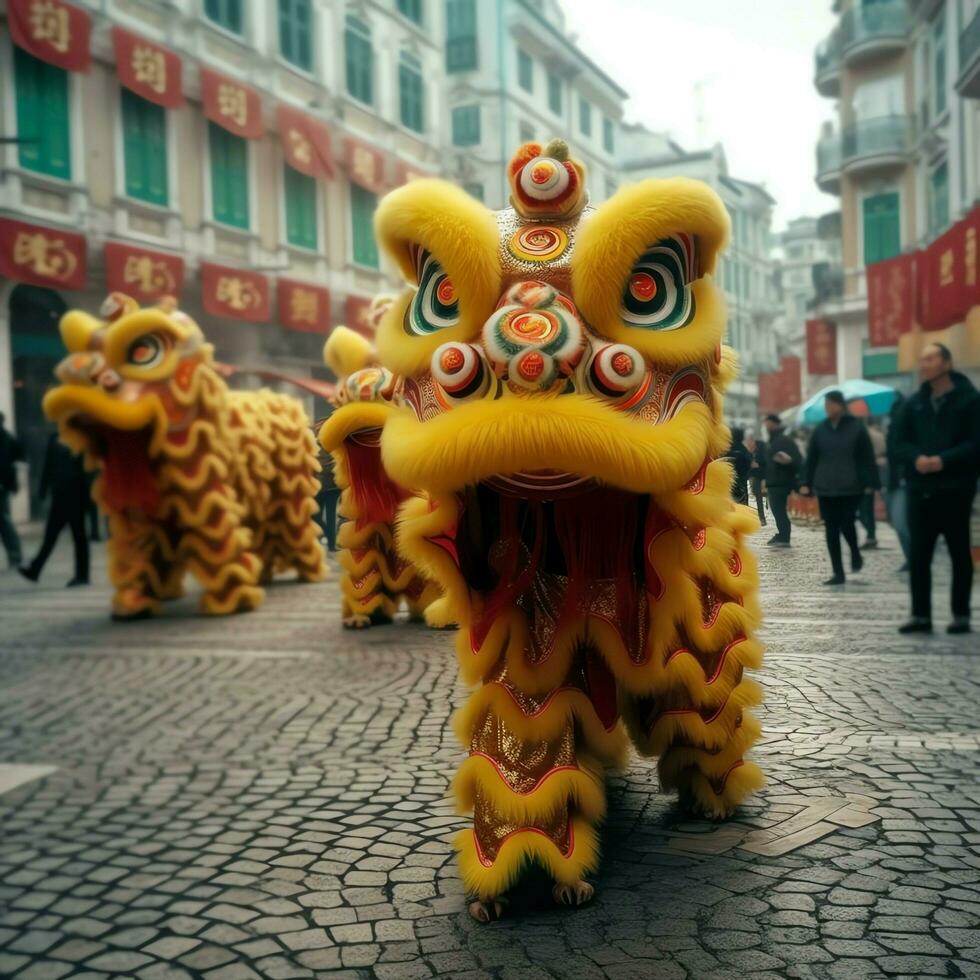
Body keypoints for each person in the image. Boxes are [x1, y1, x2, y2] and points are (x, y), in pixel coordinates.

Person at [892, 343, 979, 635]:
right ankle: (921, 615)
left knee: (958, 552)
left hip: (956, 489)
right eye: (922, 359)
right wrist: (917, 458)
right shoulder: (914, 402)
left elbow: (975, 443)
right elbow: (897, 441)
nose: (923, 364)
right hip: (920, 489)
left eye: (930, 359)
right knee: (919, 553)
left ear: (946, 363)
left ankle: (961, 614)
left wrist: (943, 461)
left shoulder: (969, 400)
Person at [800, 391, 879, 586]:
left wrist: (871, 483)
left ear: (841, 405)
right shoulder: (820, 429)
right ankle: (838, 572)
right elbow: (811, 459)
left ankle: (854, 551)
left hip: (850, 486)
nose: (828, 408)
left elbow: (867, 457)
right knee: (831, 529)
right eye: (826, 405)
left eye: (831, 404)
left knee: (847, 524)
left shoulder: (856, 427)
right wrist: (805, 483)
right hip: (825, 486)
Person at [18, 433, 90, 587]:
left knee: (78, 536)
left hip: (76, 493)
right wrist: (43, 488)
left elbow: (87, 467)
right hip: (60, 494)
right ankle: (35, 569)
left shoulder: (81, 436)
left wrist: (88, 496)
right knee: (53, 534)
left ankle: (81, 575)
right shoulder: (54, 437)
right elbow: (48, 463)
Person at [762, 413, 801, 547]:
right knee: (778, 510)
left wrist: (785, 461)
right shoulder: (774, 440)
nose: (765, 425)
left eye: (767, 422)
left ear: (775, 423)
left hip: (780, 481)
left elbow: (796, 460)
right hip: (775, 481)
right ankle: (782, 535)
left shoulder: (783, 440)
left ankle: (784, 537)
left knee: (779, 510)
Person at [884, 395, 911, 572]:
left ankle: (915, 557)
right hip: (896, 481)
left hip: (913, 480)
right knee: (898, 523)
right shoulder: (892, 429)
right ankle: (912, 557)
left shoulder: (915, 428)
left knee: (903, 522)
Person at [0, 411, 24, 569]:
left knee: (4, 521)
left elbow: (9, 465)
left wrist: (6, 483)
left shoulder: (6, 440)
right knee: (4, 521)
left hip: (1, 487)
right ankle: (15, 556)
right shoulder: (9, 438)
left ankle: (15, 556)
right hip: (4, 486)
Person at [858, 420, 887, 549]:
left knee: (865, 510)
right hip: (877, 470)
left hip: (867, 476)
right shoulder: (877, 433)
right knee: (867, 509)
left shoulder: (864, 435)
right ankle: (871, 535)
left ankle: (871, 536)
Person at [316, 446, 340, 553]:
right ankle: (328, 537)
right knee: (316, 516)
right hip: (321, 488)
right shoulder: (316, 448)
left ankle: (331, 544)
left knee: (329, 517)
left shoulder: (333, 448)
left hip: (330, 488)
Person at [723, 426, 753, 505]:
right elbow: (749, 464)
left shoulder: (726, 449)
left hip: (728, 484)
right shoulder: (743, 449)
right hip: (741, 484)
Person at [746, 431, 767, 526]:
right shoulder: (749, 450)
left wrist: (758, 465)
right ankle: (757, 517)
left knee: (758, 497)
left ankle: (762, 518)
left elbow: (765, 461)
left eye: (750, 441)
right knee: (756, 495)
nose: (749, 443)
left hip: (760, 476)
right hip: (752, 476)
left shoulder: (761, 449)